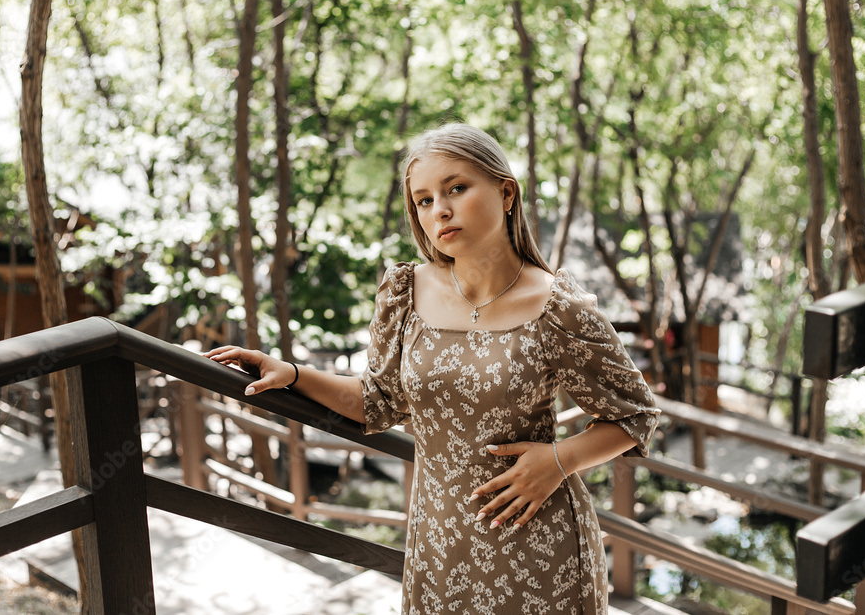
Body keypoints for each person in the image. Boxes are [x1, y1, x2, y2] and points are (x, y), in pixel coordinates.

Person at [205, 122, 660, 614]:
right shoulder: (405, 294)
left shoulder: (559, 307)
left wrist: (559, 460)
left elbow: (635, 415)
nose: (439, 210)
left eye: (456, 189)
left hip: (540, 544)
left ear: (506, 192)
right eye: (423, 200)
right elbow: (378, 403)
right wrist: (293, 374)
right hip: (441, 543)